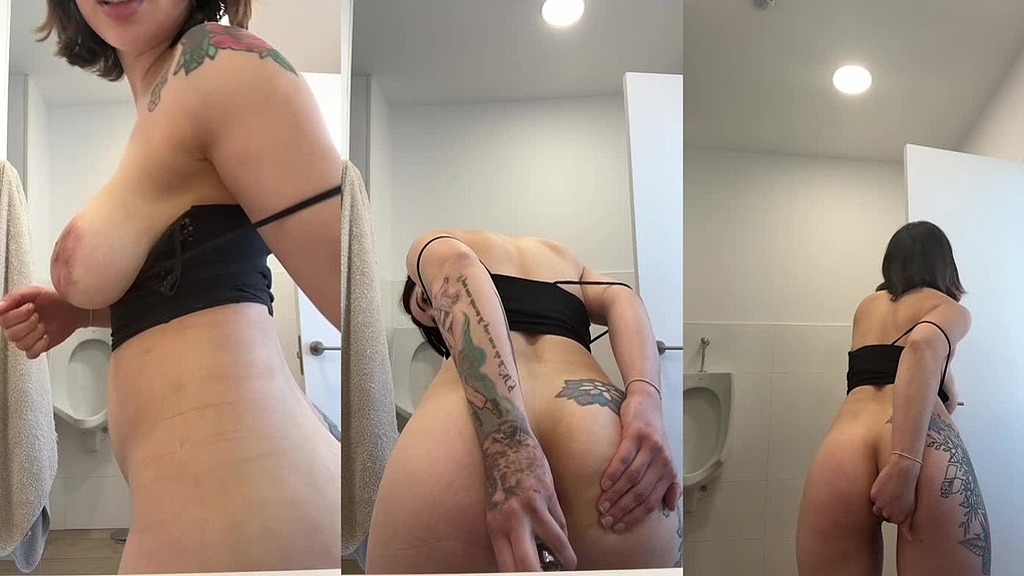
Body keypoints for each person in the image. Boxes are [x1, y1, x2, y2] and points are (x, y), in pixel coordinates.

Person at [0, 0, 341, 572]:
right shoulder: (169, 105)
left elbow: (351, 291)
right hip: (212, 508)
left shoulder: (219, 61)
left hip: (243, 509)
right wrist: (83, 312)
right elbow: (204, 287)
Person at [364, 229, 683, 572]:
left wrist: (510, 450)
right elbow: (625, 298)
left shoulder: (436, 241)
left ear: (423, 300)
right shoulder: (565, 259)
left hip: (462, 435)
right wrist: (645, 398)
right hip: (596, 430)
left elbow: (457, 265)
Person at [796, 221, 991, 576]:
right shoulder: (950, 308)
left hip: (845, 444)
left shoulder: (866, 307)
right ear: (944, 265)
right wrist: (904, 464)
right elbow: (921, 346)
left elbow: (896, 360)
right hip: (917, 448)